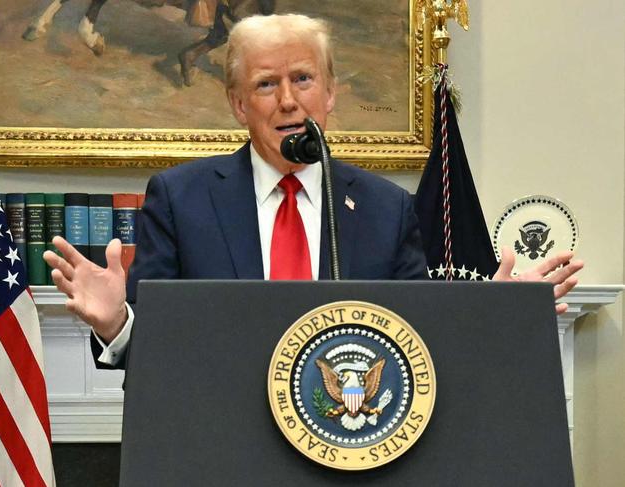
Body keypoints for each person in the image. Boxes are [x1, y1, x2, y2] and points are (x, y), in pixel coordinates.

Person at [43, 14, 583, 368]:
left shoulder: (385, 208)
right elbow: (156, 352)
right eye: (264, 84)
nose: (287, 101)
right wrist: (116, 321)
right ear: (237, 105)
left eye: (302, 79)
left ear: (329, 94)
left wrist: (492, 312)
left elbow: (420, 343)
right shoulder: (181, 199)